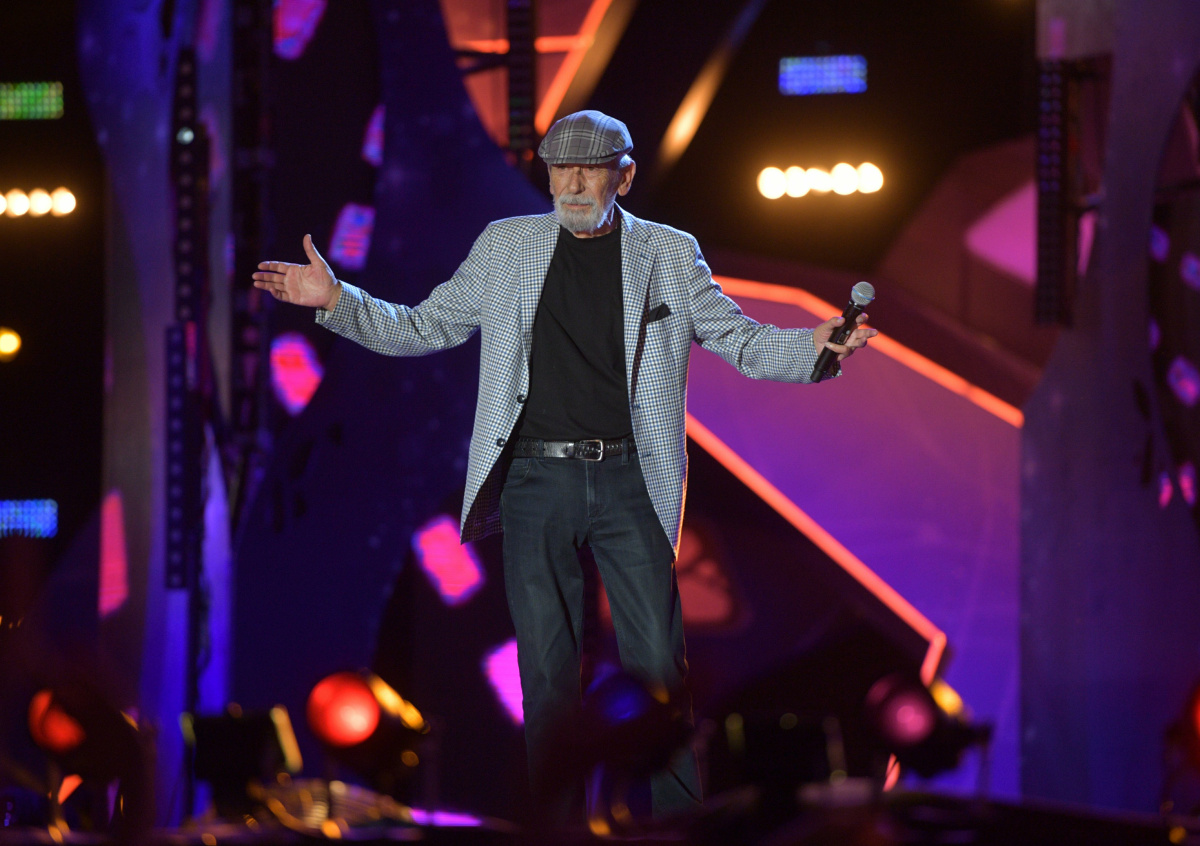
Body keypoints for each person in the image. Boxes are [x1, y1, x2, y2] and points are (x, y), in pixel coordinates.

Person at [252, 110, 876, 824]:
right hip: (536, 480)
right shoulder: (506, 246)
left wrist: (815, 348)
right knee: (546, 673)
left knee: (657, 670)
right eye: (560, 170)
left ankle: (677, 828)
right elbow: (428, 326)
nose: (573, 184)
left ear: (624, 176)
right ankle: (555, 830)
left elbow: (740, 340)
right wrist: (337, 300)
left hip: (631, 480)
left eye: (589, 170)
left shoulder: (669, 253)